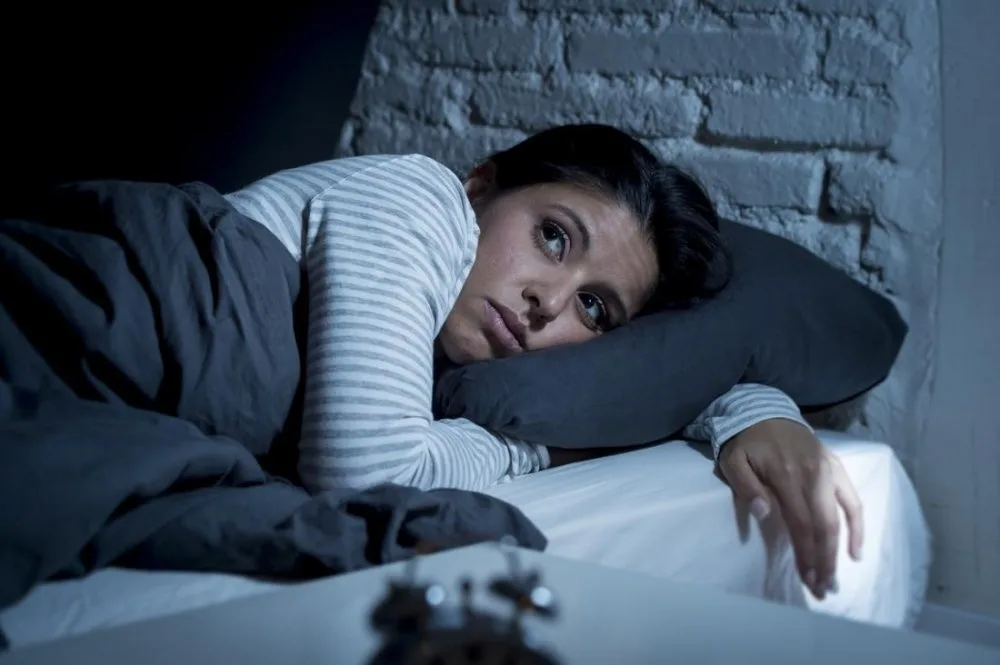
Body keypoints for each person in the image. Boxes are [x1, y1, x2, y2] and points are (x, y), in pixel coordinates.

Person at [225, 124, 862, 601]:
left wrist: (758, 412)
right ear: (481, 186)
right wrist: (527, 450)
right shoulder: (418, 198)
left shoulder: (453, 343)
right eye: (552, 237)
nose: (548, 302)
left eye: (593, 306)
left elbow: (649, 373)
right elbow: (369, 476)